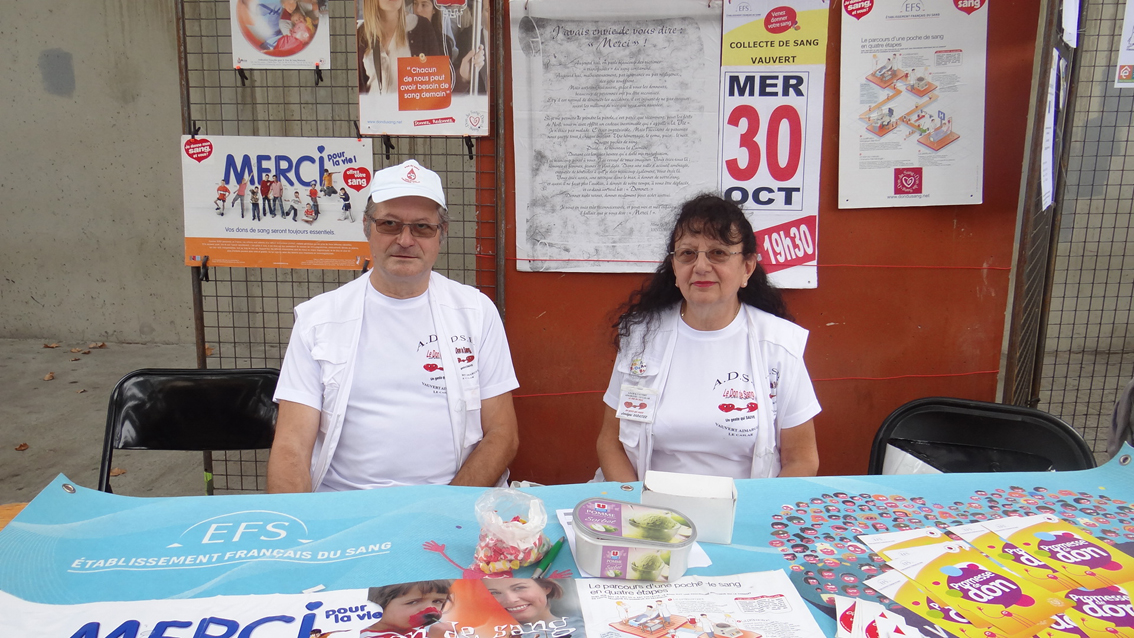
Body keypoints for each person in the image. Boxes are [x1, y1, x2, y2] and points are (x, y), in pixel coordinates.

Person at [266, 159, 520, 492]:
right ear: (366, 227)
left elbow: (502, 434)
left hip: (453, 499)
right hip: (347, 502)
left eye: (422, 227)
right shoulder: (319, 319)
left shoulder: (475, 312)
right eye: (389, 224)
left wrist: (446, 506)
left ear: (441, 234)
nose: (405, 239)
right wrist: (300, 522)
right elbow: (291, 446)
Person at [596, 194, 820, 482]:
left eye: (718, 253)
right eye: (688, 253)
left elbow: (802, 459)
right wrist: (638, 503)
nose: (701, 266)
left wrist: (754, 508)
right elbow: (610, 443)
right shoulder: (642, 336)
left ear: (747, 267)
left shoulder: (779, 346)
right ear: (674, 267)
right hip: (648, 502)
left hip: (744, 505)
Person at [357, 0, 443, 94]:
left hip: (411, 102)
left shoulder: (421, 27)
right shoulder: (361, 33)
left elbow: (436, 81)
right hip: (374, 102)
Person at [485, 579, 582, 637]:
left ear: (546, 587)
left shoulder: (580, 627)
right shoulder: (486, 633)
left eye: (519, 588)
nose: (510, 600)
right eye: (494, 593)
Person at [363, 580, 451, 638]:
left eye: (437, 601)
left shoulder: (417, 633)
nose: (430, 609)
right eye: (413, 602)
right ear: (376, 604)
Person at [453, 0, 488, 95]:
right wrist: (464, 78)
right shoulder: (468, 37)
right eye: (488, 11)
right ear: (480, 13)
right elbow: (460, 74)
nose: (494, 16)